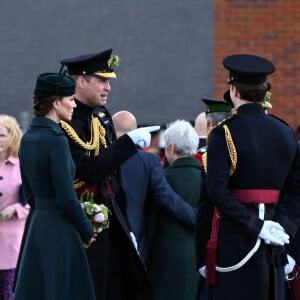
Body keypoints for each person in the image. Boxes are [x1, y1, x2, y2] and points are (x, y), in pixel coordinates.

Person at [195, 54, 300, 300]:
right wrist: (282, 227)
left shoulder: (224, 133)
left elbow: (216, 192)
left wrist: (256, 226)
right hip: (275, 242)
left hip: (234, 241)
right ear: (265, 92)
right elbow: (296, 190)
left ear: (233, 89)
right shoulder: (285, 131)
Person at [60, 49, 157, 300]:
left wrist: (127, 224)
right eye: (102, 80)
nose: (108, 88)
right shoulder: (66, 121)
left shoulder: (101, 115)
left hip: (111, 216)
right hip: (84, 219)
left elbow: (114, 177)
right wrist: (128, 144)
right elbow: (89, 170)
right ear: (81, 81)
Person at [14, 72, 97, 299]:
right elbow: (67, 198)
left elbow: (30, 194)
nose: (73, 104)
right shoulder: (57, 140)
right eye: (70, 99)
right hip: (60, 228)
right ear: (56, 102)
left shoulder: (27, 138)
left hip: (37, 227)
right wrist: (87, 231)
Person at [112, 110, 197, 263]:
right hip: (135, 241)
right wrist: (197, 217)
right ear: (135, 132)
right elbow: (167, 198)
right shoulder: (148, 161)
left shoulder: (96, 160)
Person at [148, 119, 202, 300]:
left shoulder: (160, 179)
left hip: (163, 259)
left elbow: (150, 223)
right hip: (199, 259)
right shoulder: (208, 179)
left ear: (171, 148)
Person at [0, 114, 29, 300]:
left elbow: (35, 201)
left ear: (12, 137)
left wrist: (15, 209)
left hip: (12, 247)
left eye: (1, 135)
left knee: (9, 295)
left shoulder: (22, 166)